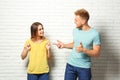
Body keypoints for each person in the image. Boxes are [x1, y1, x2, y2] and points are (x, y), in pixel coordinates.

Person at [54, 9, 101, 80]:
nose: (74, 22)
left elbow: (97, 53)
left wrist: (83, 50)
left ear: (84, 21)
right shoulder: (75, 30)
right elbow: (74, 44)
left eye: (76, 20)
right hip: (70, 65)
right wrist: (64, 45)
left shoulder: (94, 34)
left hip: (84, 68)